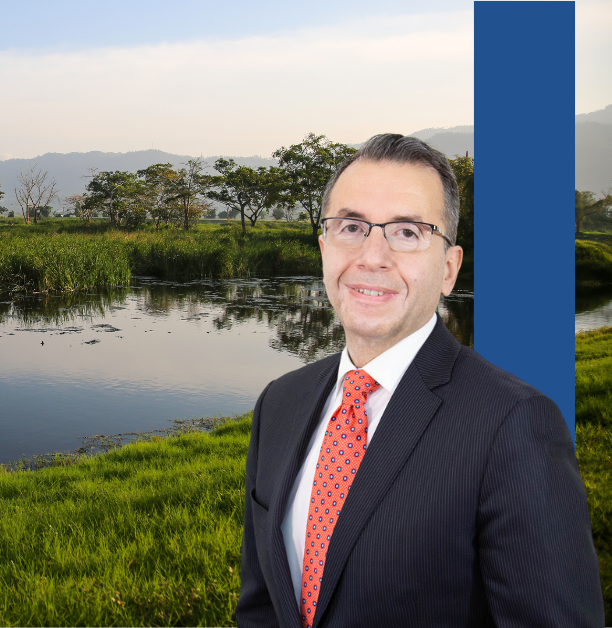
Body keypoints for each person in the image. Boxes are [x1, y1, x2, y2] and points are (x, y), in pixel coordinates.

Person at [235, 134, 602, 627]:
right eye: (351, 226)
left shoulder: (514, 424)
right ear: (324, 248)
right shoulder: (281, 401)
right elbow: (260, 606)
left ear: (448, 269)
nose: (371, 257)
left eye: (407, 233)